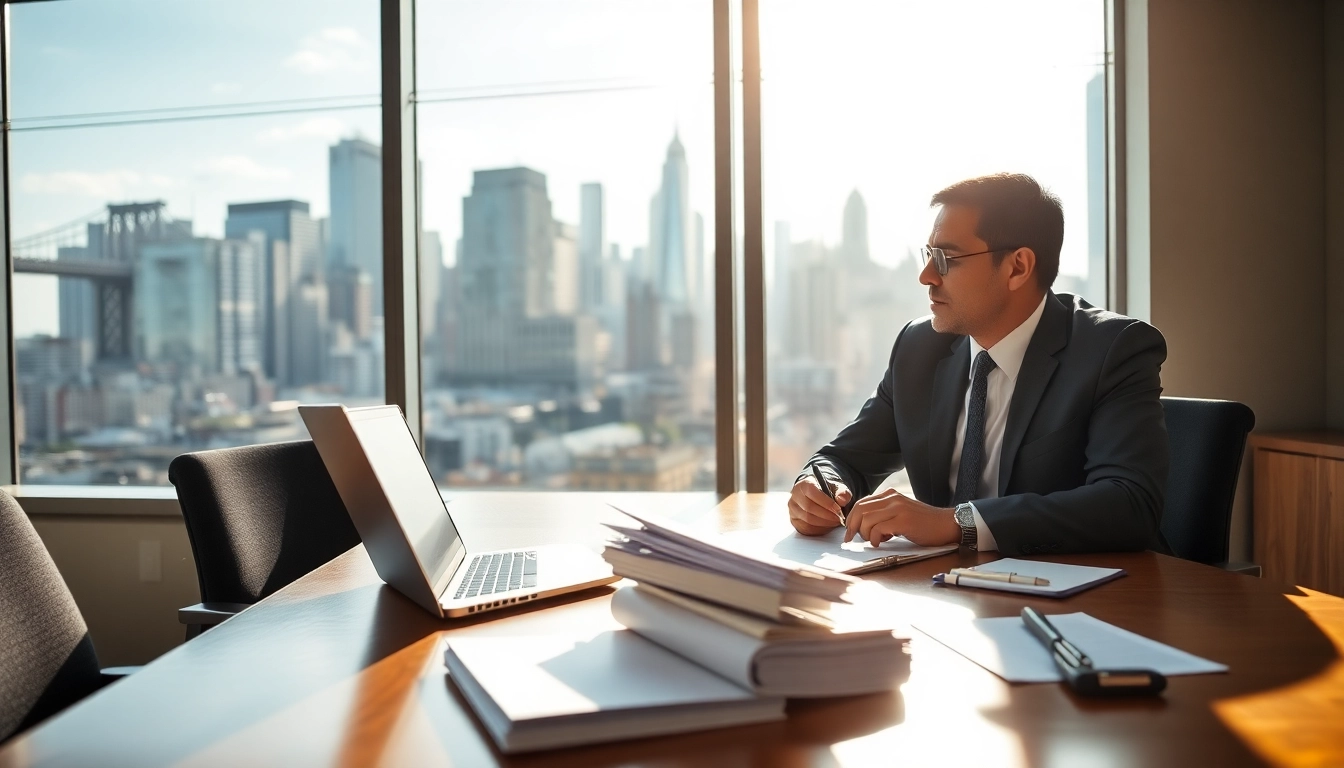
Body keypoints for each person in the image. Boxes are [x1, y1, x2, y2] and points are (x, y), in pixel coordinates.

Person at [788, 173, 1169, 556]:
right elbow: (844, 458)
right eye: (928, 255)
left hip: (1089, 586)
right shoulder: (919, 348)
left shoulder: (1113, 350)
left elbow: (1129, 503)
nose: (926, 276)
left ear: (1017, 267)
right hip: (946, 584)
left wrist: (957, 523)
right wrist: (820, 487)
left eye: (946, 259)